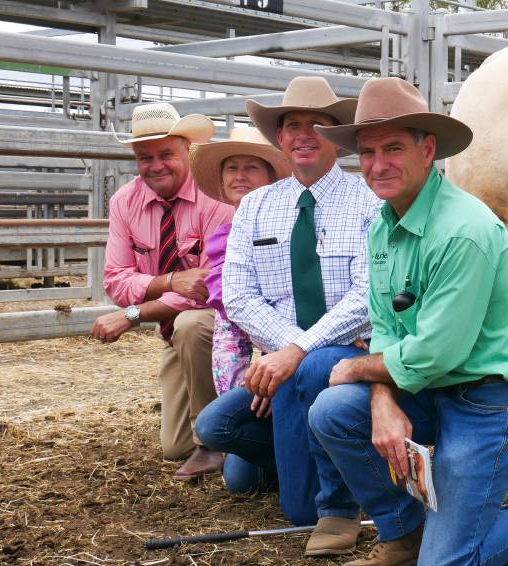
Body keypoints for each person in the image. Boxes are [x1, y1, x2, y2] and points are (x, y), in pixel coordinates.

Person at [308, 77, 508, 566]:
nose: (378, 164)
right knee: (332, 411)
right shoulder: (383, 227)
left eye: (393, 148)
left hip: (492, 400)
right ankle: (406, 536)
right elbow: (387, 327)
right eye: (368, 153)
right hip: (432, 389)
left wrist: (356, 369)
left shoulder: (464, 230)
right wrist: (381, 398)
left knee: (450, 562)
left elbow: (437, 353)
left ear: (427, 148)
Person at [221, 76, 380, 555]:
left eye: (318, 124)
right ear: (281, 138)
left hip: (346, 348)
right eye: (292, 125)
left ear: (335, 136)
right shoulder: (256, 205)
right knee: (216, 431)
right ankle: (314, 453)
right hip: (285, 354)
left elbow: (367, 296)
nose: (304, 133)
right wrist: (286, 350)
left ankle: (325, 495)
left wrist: (297, 351)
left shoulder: (369, 202)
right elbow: (237, 295)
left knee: (296, 508)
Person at [91, 102, 234, 480]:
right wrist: (168, 281)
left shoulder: (214, 197)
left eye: (166, 154)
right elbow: (115, 280)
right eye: (144, 157)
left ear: (187, 149)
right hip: (173, 332)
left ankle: (214, 444)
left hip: (219, 326)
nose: (155, 166)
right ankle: (223, 432)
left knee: (191, 323)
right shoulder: (125, 201)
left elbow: (206, 289)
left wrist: (134, 313)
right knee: (174, 447)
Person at [189, 126, 292, 494]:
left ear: (271, 177)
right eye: (232, 167)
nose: (240, 176)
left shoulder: (292, 226)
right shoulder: (223, 238)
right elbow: (228, 337)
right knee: (240, 481)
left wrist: (274, 370)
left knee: (228, 446)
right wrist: (244, 390)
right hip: (262, 374)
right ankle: (292, 455)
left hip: (290, 361)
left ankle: (304, 454)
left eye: (252, 167)